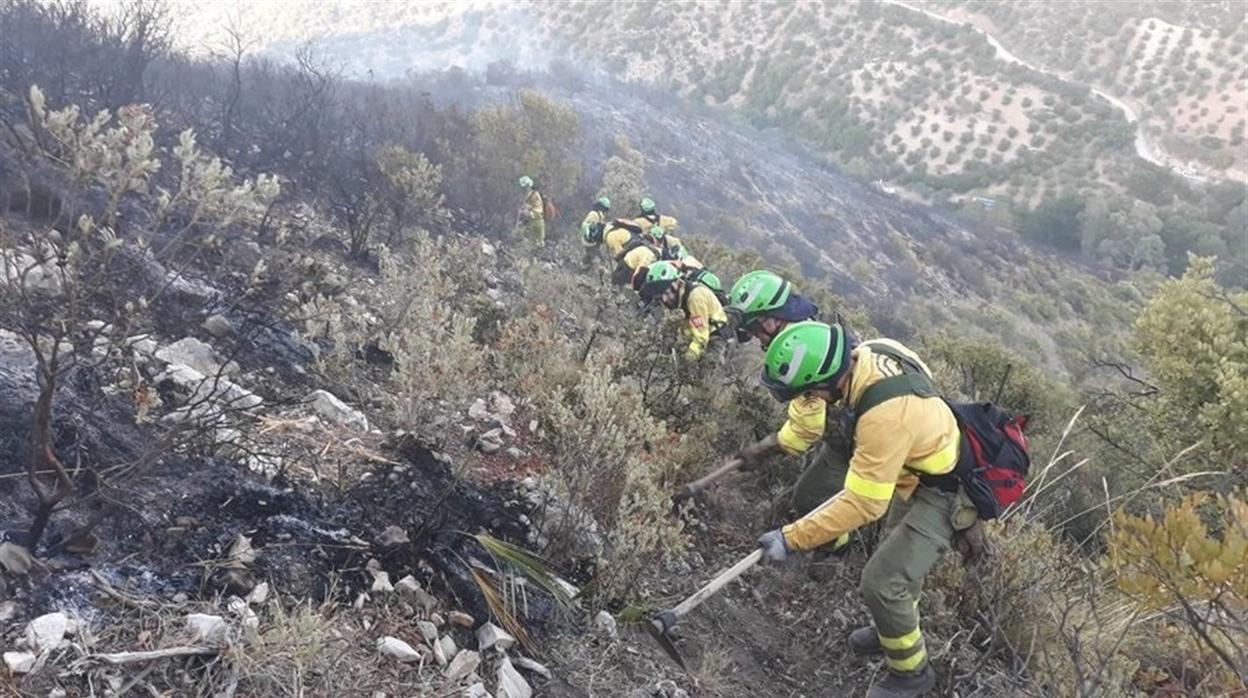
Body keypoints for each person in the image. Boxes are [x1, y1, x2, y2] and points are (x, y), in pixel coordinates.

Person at [754, 321, 975, 698]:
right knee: (898, 564)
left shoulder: (884, 417)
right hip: (915, 471)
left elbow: (864, 504)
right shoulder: (875, 349)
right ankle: (893, 628)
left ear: (826, 381)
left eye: (811, 392)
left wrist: (792, 539)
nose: (816, 400)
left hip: (948, 492)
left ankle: (911, 673)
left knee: (881, 581)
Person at [724, 270, 853, 544]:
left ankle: (835, 551)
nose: (757, 339)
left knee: (810, 497)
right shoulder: (809, 327)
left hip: (858, 439)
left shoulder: (798, 351)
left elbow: (808, 428)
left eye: (756, 329)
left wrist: (763, 451)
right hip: (845, 429)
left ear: (772, 319)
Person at [638, 261, 728, 360]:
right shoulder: (678, 298)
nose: (664, 300)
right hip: (697, 334)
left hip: (715, 338)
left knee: (707, 366)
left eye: (666, 293)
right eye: (660, 296)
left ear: (677, 284)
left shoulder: (696, 297)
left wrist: (688, 360)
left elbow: (701, 337)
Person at [579, 196, 611, 266]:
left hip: (591, 241)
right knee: (597, 258)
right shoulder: (594, 214)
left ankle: (584, 265)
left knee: (591, 255)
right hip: (590, 241)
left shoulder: (597, 214)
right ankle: (584, 267)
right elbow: (588, 227)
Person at [515, 175, 546, 247]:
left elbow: (538, 210)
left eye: (524, 187)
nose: (523, 189)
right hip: (527, 224)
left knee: (538, 244)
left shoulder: (535, 195)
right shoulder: (525, 197)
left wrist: (528, 211)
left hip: (537, 223)